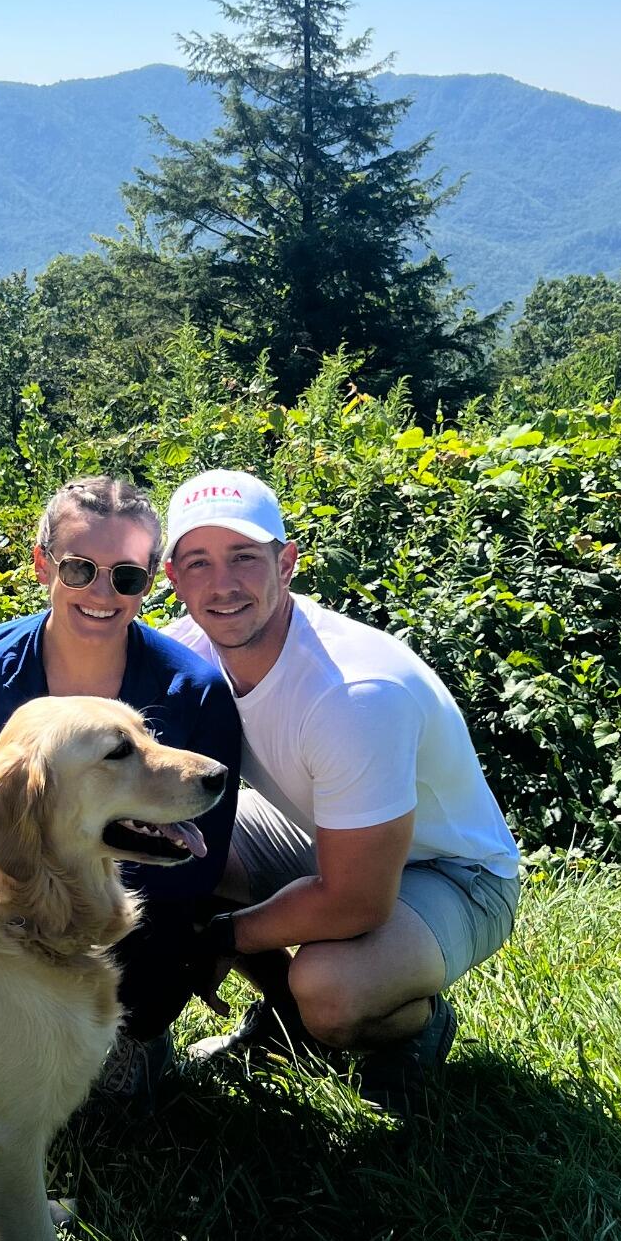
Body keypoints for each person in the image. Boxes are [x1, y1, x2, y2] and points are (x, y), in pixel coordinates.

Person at [162, 467, 520, 1114]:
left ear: (286, 563)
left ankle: (403, 1026)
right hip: (321, 836)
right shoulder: (186, 651)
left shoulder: (352, 693)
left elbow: (355, 902)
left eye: (243, 557)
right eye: (197, 562)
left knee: (329, 987)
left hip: (453, 875)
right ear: (171, 578)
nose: (222, 585)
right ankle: (286, 1021)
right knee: (169, 850)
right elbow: (76, 720)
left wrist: (217, 937)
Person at [0, 475, 241, 1107]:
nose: (103, 594)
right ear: (42, 564)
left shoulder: (195, 691)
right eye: (80, 568)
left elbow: (198, 868)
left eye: (127, 576)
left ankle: (137, 1033)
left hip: (137, 911)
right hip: (6, 907)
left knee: (113, 1094)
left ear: (152, 582)